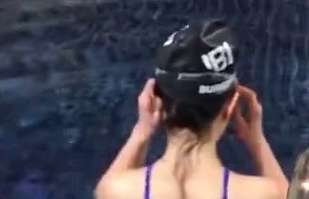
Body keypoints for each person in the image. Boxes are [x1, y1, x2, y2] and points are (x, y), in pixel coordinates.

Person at [95, 20, 289, 199]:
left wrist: (141, 132)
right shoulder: (262, 194)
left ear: (156, 101)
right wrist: (257, 141)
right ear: (231, 105)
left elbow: (105, 189)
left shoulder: (115, 191)